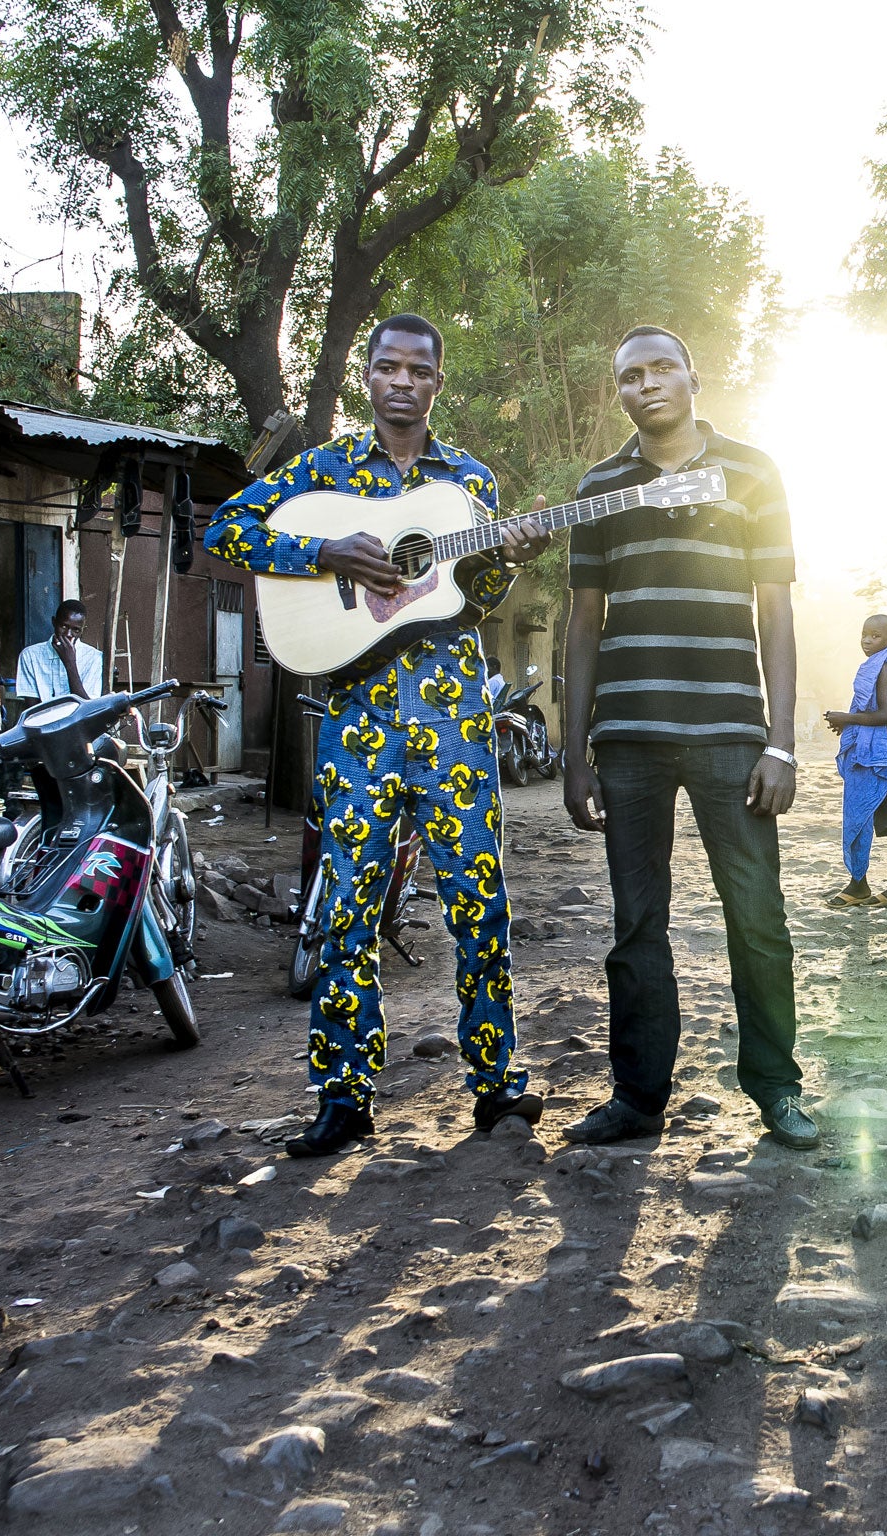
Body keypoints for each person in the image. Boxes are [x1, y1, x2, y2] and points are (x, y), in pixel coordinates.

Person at [206, 312, 547, 1158]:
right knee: (347, 909)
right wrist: (326, 553)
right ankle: (344, 1097)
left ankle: (497, 1085)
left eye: (418, 370)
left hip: (453, 714)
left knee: (478, 899)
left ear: (437, 382)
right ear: (368, 376)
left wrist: (514, 552)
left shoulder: (470, 481)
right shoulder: (322, 471)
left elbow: (481, 596)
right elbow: (226, 529)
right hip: (357, 719)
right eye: (388, 367)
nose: (403, 381)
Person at [562, 324, 816, 1151]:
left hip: (729, 734)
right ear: (620, 392)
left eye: (662, 367)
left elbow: (775, 609)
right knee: (637, 924)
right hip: (627, 739)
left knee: (758, 917)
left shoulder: (753, 470)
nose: (647, 384)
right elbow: (582, 623)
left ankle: (775, 1088)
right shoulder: (597, 487)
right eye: (630, 375)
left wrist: (780, 742)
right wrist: (575, 755)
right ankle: (637, 1098)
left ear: (694, 376)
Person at [824, 613, 887, 908]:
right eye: (864, 634)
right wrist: (849, 724)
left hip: (878, 754)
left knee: (859, 810)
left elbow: (886, 714)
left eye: (875, 636)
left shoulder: (884, 668)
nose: (867, 640)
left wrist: (846, 718)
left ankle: (859, 885)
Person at [14, 600, 105, 701]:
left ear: (83, 631)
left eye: (76, 630)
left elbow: (88, 708)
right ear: (54, 622)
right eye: (64, 626)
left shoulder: (95, 658)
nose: (68, 634)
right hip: (44, 716)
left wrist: (70, 663)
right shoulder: (30, 656)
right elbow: (32, 708)